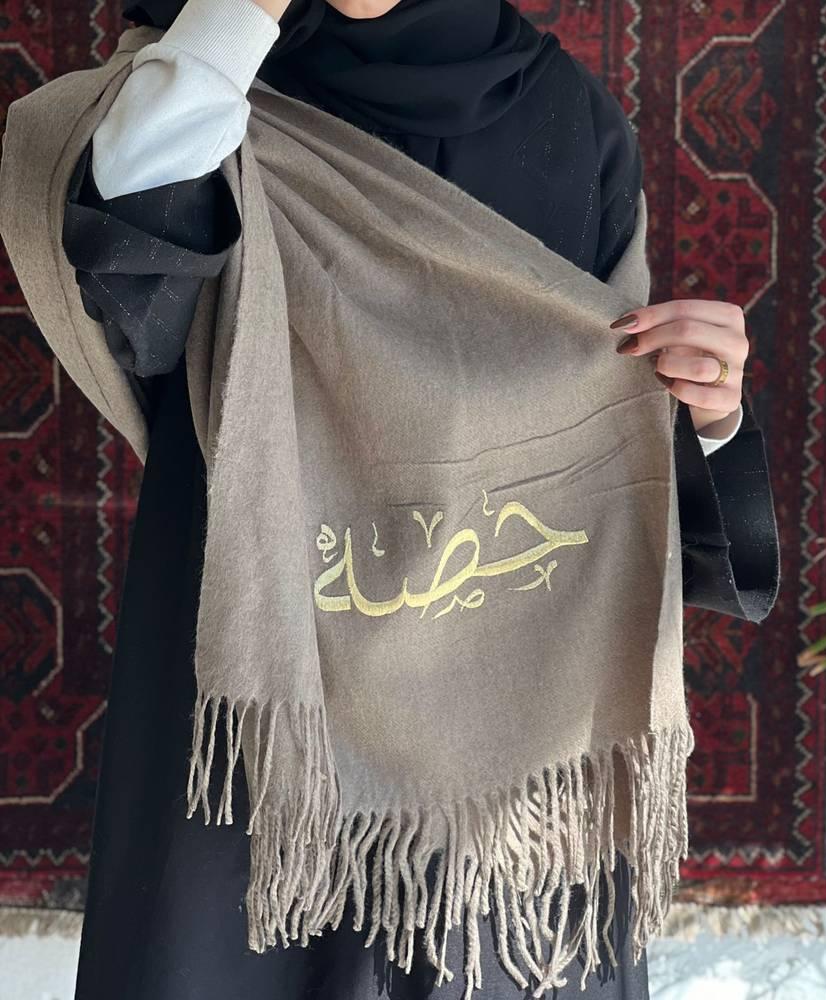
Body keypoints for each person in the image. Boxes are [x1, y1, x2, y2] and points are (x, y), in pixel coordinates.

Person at [60, 0, 780, 997]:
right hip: (266, 700)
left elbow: (603, 467)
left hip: (505, 722)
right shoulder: (209, 73)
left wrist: (710, 415)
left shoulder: (569, 123)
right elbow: (130, 294)